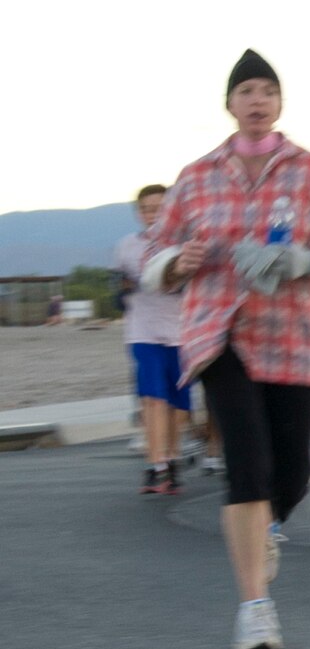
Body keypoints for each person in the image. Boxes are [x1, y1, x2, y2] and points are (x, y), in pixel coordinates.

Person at [142, 51, 310, 649]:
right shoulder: (196, 177)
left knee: (290, 474)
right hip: (220, 333)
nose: (256, 100)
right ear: (230, 104)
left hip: (297, 333)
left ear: (279, 104)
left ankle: (270, 525)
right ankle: (255, 606)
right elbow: (155, 258)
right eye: (245, 90)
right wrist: (176, 263)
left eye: (267, 90)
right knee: (246, 463)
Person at [114, 184, 192, 493]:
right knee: (153, 397)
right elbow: (117, 293)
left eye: (159, 208)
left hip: (180, 332)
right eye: (146, 209)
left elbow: (195, 287)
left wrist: (172, 277)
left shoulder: (184, 245)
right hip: (142, 331)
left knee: (177, 403)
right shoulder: (126, 247)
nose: (152, 215)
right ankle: (155, 463)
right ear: (138, 213)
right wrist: (124, 289)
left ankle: (171, 458)